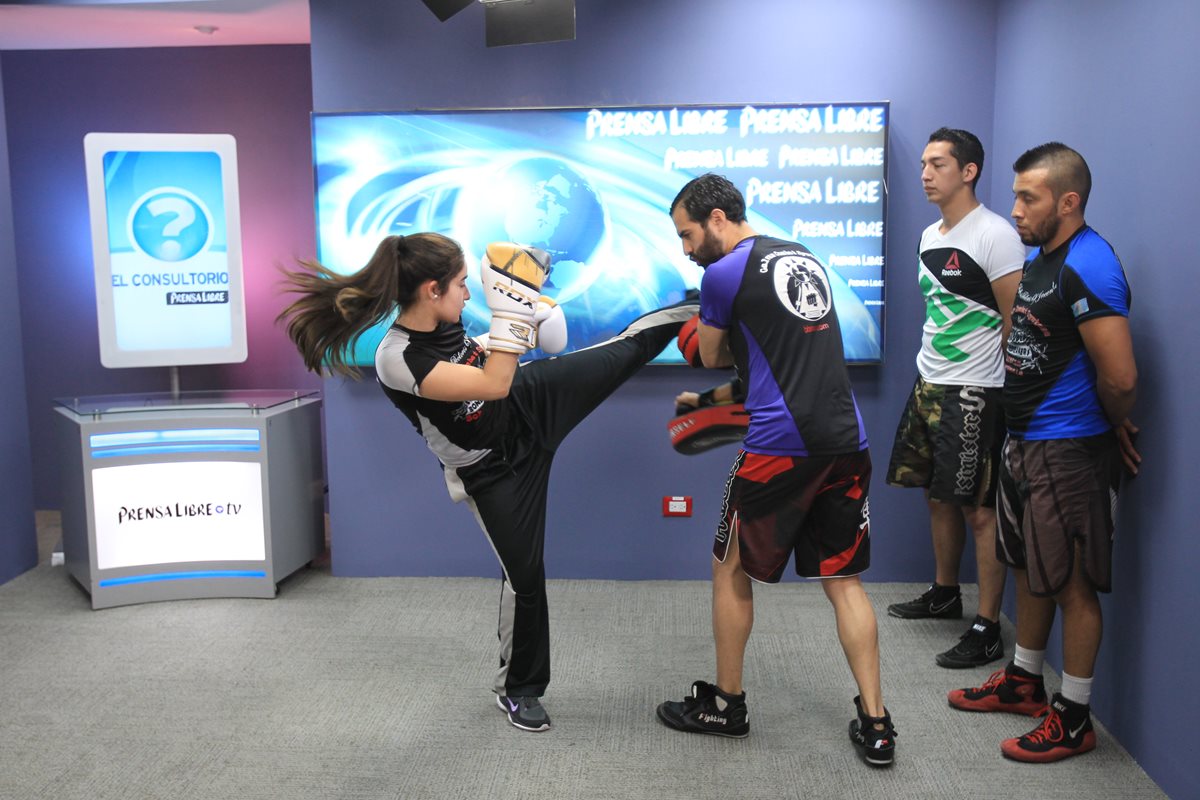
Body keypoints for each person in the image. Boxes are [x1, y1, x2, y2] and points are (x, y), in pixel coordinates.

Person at [278, 233, 697, 733]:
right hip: (492, 470)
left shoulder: (449, 323)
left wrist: (534, 320)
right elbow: (490, 382)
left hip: (525, 405)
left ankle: (699, 302)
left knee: (623, 352)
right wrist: (514, 315)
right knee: (525, 579)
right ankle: (518, 690)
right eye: (460, 285)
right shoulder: (398, 358)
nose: (468, 294)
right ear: (432, 290)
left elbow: (491, 366)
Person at [655, 174, 897, 767]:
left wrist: (693, 325)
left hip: (780, 447)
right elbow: (782, 351)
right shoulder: (802, 255)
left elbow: (710, 354)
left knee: (729, 566)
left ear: (716, 218)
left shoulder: (724, 273)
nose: (686, 249)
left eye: (687, 234)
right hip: (846, 439)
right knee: (844, 581)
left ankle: (726, 705)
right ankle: (877, 722)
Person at [948, 143, 1140, 763]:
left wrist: (1114, 425)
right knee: (1030, 567)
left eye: (1028, 197)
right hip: (1024, 442)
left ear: (1069, 200)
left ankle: (1074, 716)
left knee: (1073, 584)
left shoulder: (1091, 265)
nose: (1016, 209)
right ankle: (1025, 680)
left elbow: (1121, 378)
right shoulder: (1041, 260)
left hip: (1070, 450)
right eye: (1016, 195)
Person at [884, 128, 1026, 669]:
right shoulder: (928, 235)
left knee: (980, 511)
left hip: (976, 391)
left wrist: (1008, 393)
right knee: (937, 494)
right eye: (923, 163)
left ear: (968, 171)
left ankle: (988, 626)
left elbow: (1017, 325)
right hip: (930, 380)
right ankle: (945, 591)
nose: (925, 173)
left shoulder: (996, 235)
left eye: (938, 164)